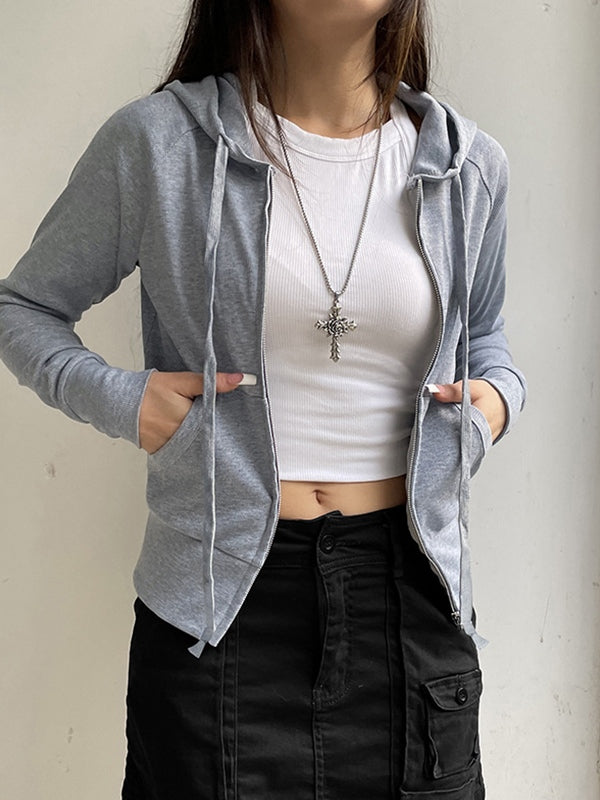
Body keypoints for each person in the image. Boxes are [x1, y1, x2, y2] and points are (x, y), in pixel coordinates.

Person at [0, 1, 527, 798]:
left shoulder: (466, 164)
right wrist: (124, 401)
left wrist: (495, 403)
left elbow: (484, 334)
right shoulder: (162, 143)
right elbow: (25, 307)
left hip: (412, 597)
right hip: (218, 608)